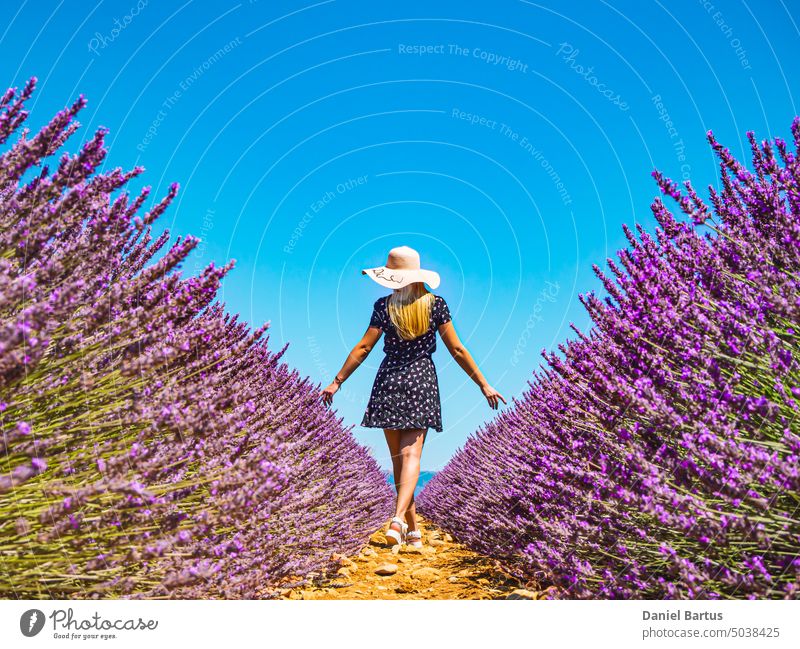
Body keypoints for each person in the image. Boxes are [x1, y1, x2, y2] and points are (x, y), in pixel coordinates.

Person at [321, 245, 506, 548]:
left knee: (399, 461)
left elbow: (363, 348)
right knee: (411, 458)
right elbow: (457, 350)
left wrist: (337, 381)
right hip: (421, 381)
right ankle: (405, 524)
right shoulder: (436, 305)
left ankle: (409, 528)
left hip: (389, 380)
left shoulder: (384, 306)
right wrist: (483, 384)